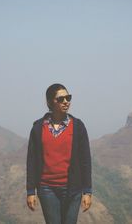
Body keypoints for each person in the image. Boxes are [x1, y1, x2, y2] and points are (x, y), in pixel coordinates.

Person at [26, 83, 92, 224]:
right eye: (61, 99)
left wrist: (87, 191)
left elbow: (85, 160)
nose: (66, 101)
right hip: (47, 188)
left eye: (68, 98)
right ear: (50, 102)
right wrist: (31, 191)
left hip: (73, 189)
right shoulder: (38, 128)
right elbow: (31, 161)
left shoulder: (78, 126)